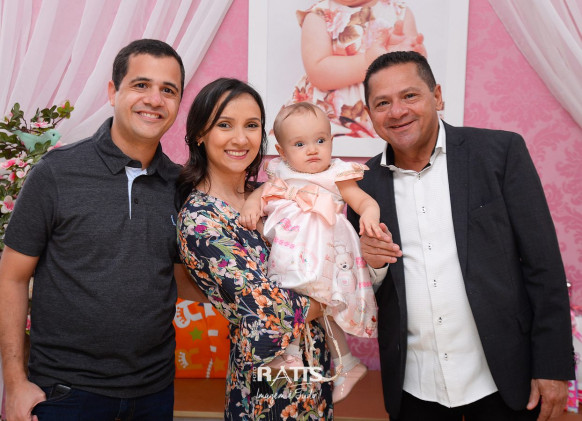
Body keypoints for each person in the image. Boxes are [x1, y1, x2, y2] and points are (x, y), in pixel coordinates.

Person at [347, 50, 574, 421]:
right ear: (370, 114)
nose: (397, 111)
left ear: (437, 96)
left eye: (409, 96)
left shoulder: (500, 154)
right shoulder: (362, 186)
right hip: (415, 386)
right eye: (382, 103)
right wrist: (373, 266)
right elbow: (363, 289)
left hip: (505, 379)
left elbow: (544, 266)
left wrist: (553, 365)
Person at [0, 39, 187, 421]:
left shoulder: (181, 186)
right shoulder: (55, 174)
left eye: (168, 90)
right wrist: (15, 383)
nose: (155, 99)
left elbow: (180, 277)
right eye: (141, 85)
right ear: (113, 92)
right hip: (66, 393)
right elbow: (11, 278)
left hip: (153, 393)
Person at [176, 78, 333, 420]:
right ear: (200, 134)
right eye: (224, 125)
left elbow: (332, 247)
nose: (240, 138)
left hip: (315, 372)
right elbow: (268, 310)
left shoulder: (274, 195)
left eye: (251, 125)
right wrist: (336, 294)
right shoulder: (201, 220)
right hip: (267, 386)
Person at [239, 102, 381, 403]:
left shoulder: (336, 175)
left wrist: (369, 214)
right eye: (300, 144)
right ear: (282, 151)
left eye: (320, 140)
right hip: (293, 249)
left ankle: (308, 358)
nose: (313, 149)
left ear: (331, 141)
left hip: (324, 250)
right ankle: (341, 362)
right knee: (294, 299)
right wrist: (252, 204)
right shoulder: (281, 173)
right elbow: (262, 192)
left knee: (312, 301)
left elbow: (363, 201)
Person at [290, 0, 426, 138]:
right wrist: (367, 62)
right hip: (331, 123)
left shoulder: (400, 13)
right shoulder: (319, 16)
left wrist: (415, 56)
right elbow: (318, 73)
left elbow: (416, 72)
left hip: (390, 119)